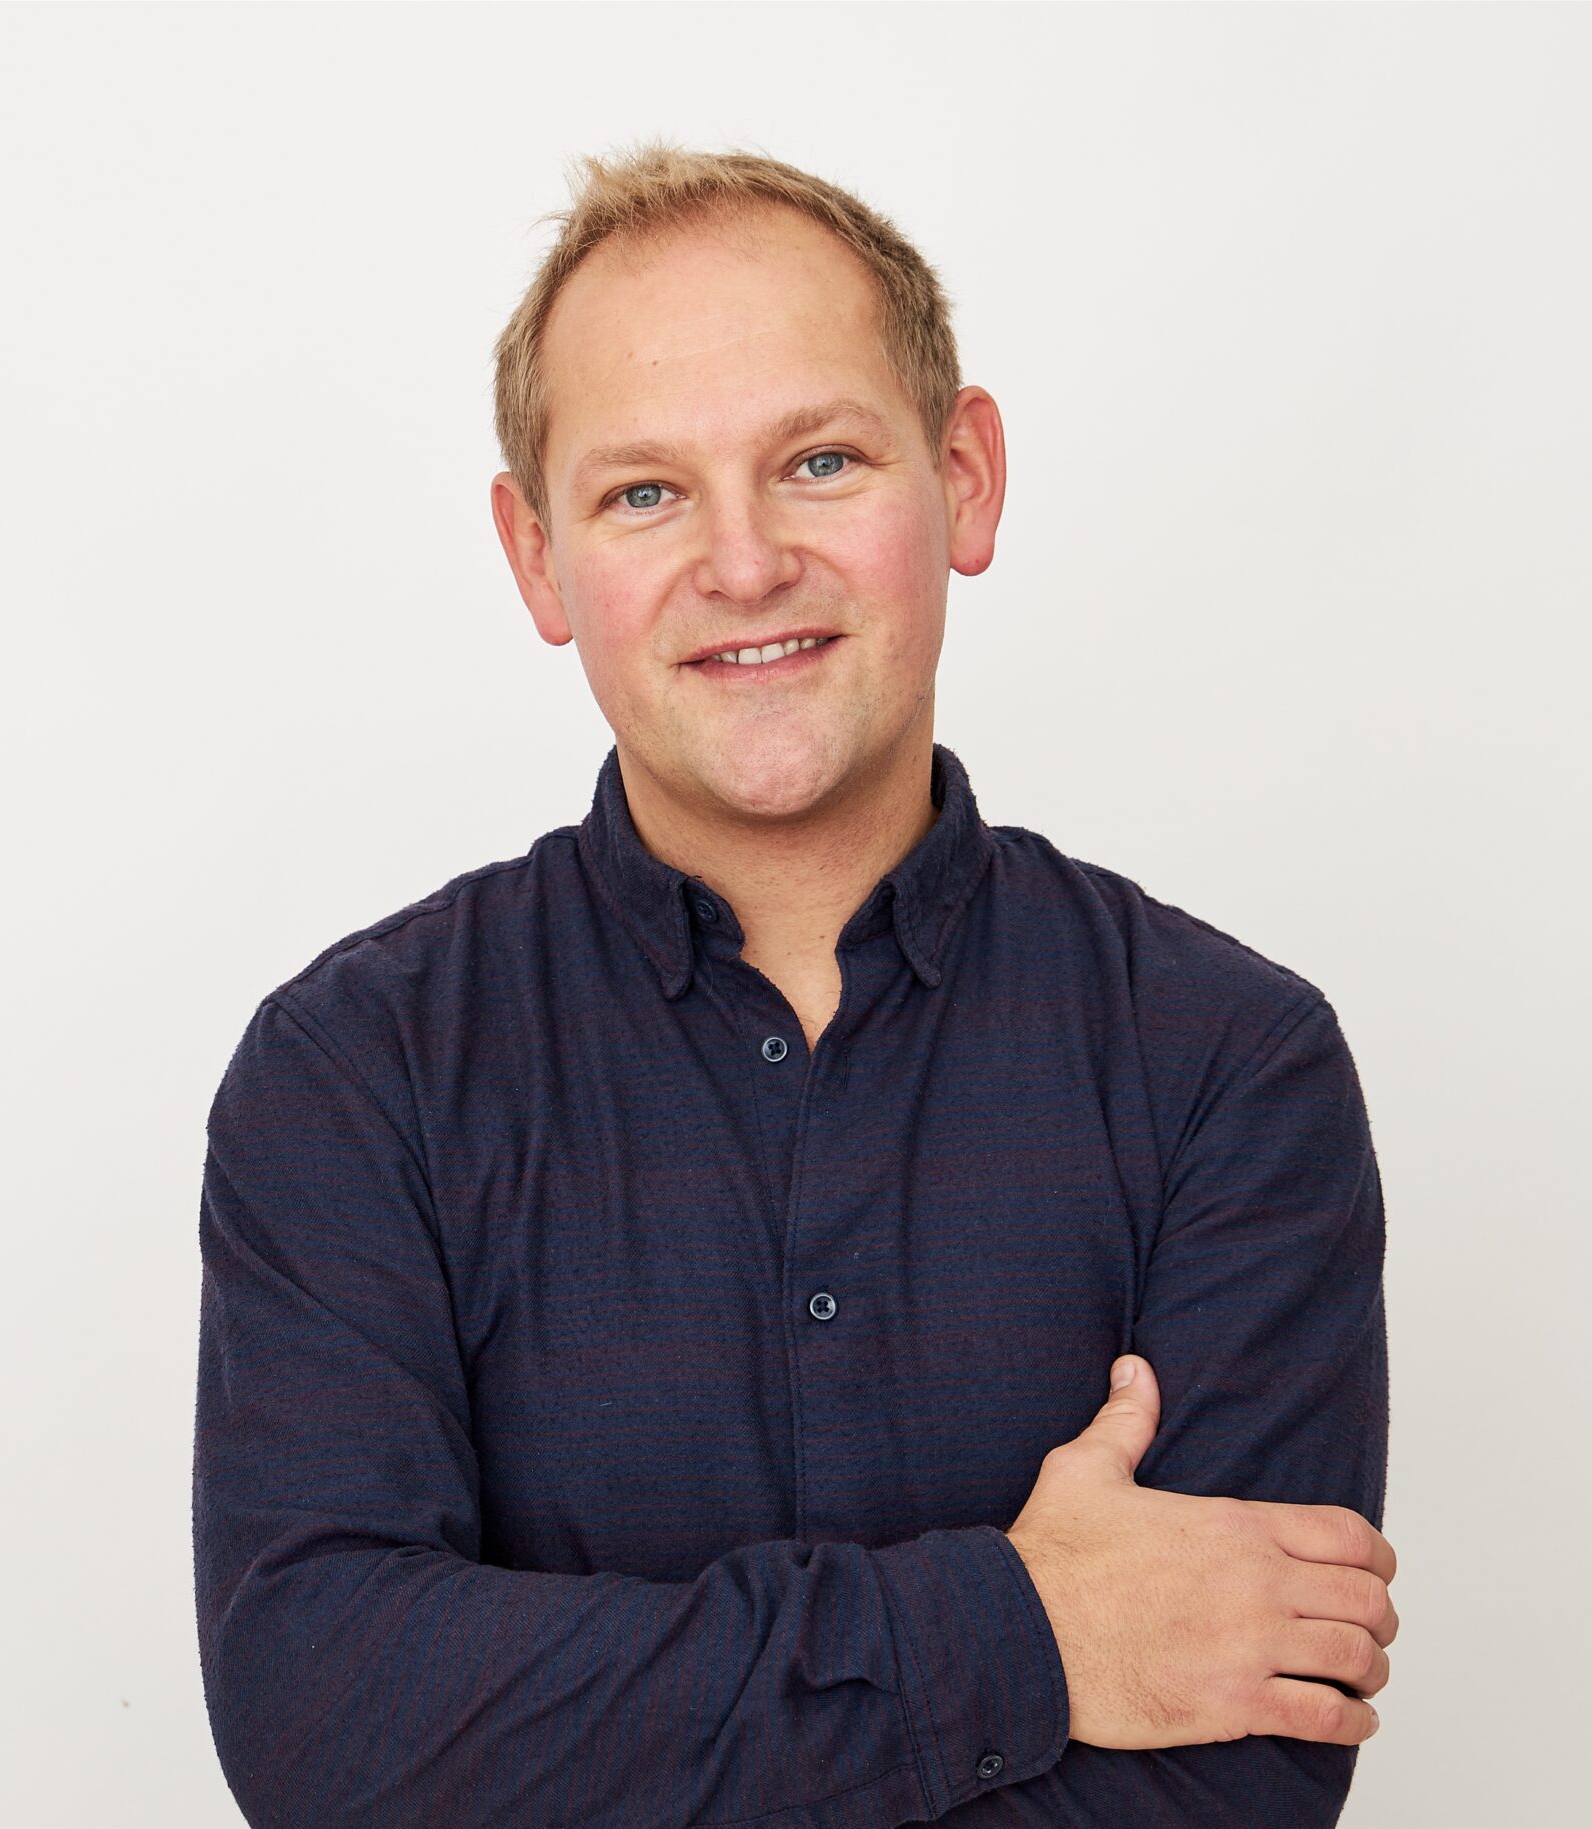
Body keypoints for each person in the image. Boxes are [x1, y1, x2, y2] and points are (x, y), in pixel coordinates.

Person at [192, 140, 1396, 1829]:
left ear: (963, 478)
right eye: (644, 493)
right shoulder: (353, 1074)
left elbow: (1237, 1779)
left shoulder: (1231, 1067)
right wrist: (1029, 1632)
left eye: (819, 461)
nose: (744, 562)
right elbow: (330, 1727)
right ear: (536, 555)